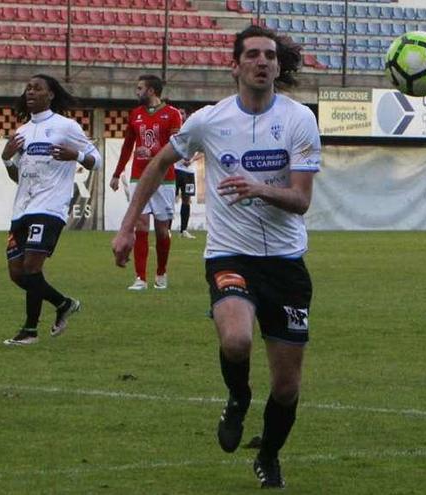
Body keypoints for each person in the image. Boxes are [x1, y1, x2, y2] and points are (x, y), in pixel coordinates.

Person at [113, 25, 320, 489]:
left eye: (270, 55)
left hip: (286, 263)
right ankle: (238, 396)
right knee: (236, 341)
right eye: (253, 55)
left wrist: (259, 188)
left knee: (287, 388)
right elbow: (159, 162)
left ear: (277, 66)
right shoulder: (210, 119)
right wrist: (128, 226)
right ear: (235, 65)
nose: (263, 62)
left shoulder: (299, 120)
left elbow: (302, 200)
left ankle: (268, 455)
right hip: (230, 254)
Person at [0, 74, 100, 346]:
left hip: (50, 206)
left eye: (37, 88)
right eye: (28, 88)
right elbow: (17, 177)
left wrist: (76, 155)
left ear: (51, 94)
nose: (30, 92)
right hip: (22, 208)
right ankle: (63, 303)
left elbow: (97, 161)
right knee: (17, 273)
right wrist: (7, 158)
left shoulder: (66, 126)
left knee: (32, 267)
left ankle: (30, 331)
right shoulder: (21, 132)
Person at [110, 75, 183, 290]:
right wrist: (117, 173)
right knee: (140, 225)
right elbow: (127, 146)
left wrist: (152, 151)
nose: (136, 92)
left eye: (139, 88)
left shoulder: (172, 114)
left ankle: (161, 273)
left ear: (151, 91)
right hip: (138, 176)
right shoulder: (135, 114)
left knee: (162, 229)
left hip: (164, 178)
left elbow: (177, 146)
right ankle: (140, 277)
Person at [174, 151, 200, 239]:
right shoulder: (176, 137)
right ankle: (167, 229)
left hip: (189, 173)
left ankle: (183, 230)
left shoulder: (196, 139)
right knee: (171, 198)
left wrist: (191, 160)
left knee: (186, 199)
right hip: (175, 170)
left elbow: (201, 152)